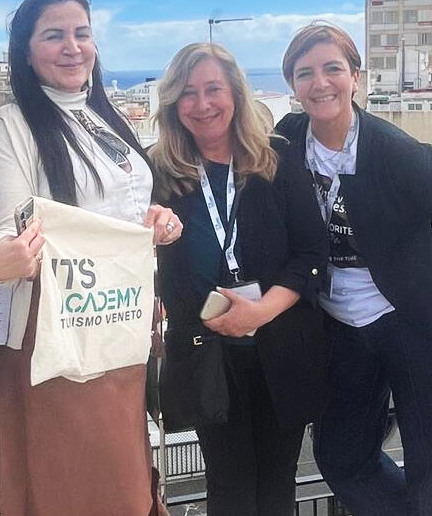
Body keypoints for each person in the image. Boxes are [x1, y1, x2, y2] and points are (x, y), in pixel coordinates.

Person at [0, 0, 180, 516]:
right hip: (59, 340)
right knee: (77, 489)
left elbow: (122, 208)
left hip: (118, 326)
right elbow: (8, 227)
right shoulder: (11, 127)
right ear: (26, 52)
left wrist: (155, 221)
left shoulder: (104, 117)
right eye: (54, 36)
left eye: (81, 33)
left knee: (127, 482)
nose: (72, 47)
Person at [274, 23, 432, 516]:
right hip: (340, 325)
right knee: (341, 456)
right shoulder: (289, 138)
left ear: (355, 76)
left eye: (332, 68)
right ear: (292, 85)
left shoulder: (395, 150)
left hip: (416, 322)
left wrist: (408, 261)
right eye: (305, 73)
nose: (320, 83)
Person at [150, 43, 328, 516]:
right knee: (228, 487)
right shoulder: (158, 173)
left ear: (235, 94)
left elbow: (311, 254)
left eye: (213, 89)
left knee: (276, 485)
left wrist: (260, 311)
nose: (202, 104)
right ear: (173, 103)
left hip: (281, 347)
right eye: (188, 93)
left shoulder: (277, 159)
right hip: (207, 354)